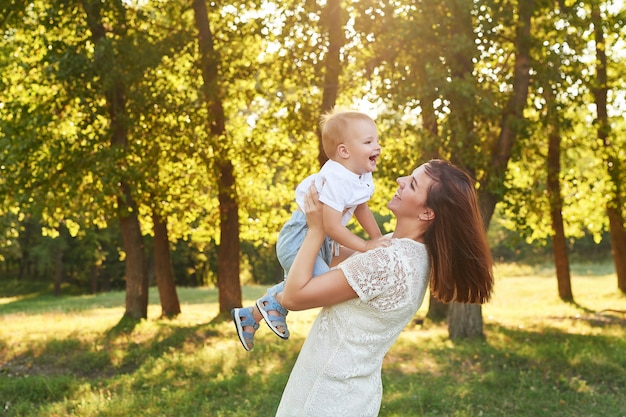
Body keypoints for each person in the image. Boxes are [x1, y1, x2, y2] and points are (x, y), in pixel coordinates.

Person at [272, 159, 494, 416]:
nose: (400, 181)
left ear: (427, 213)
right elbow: (328, 257)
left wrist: (315, 229)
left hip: (324, 398)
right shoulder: (402, 250)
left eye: (412, 184)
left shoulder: (386, 262)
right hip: (353, 395)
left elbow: (293, 297)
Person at [232, 109, 390, 351]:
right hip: (300, 237)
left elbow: (361, 208)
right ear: (344, 151)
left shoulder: (359, 175)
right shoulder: (337, 178)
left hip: (320, 240)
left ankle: (249, 317)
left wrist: (377, 237)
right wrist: (366, 245)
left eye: (376, 140)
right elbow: (331, 226)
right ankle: (271, 305)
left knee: (309, 282)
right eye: (369, 142)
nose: (377, 147)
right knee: (316, 284)